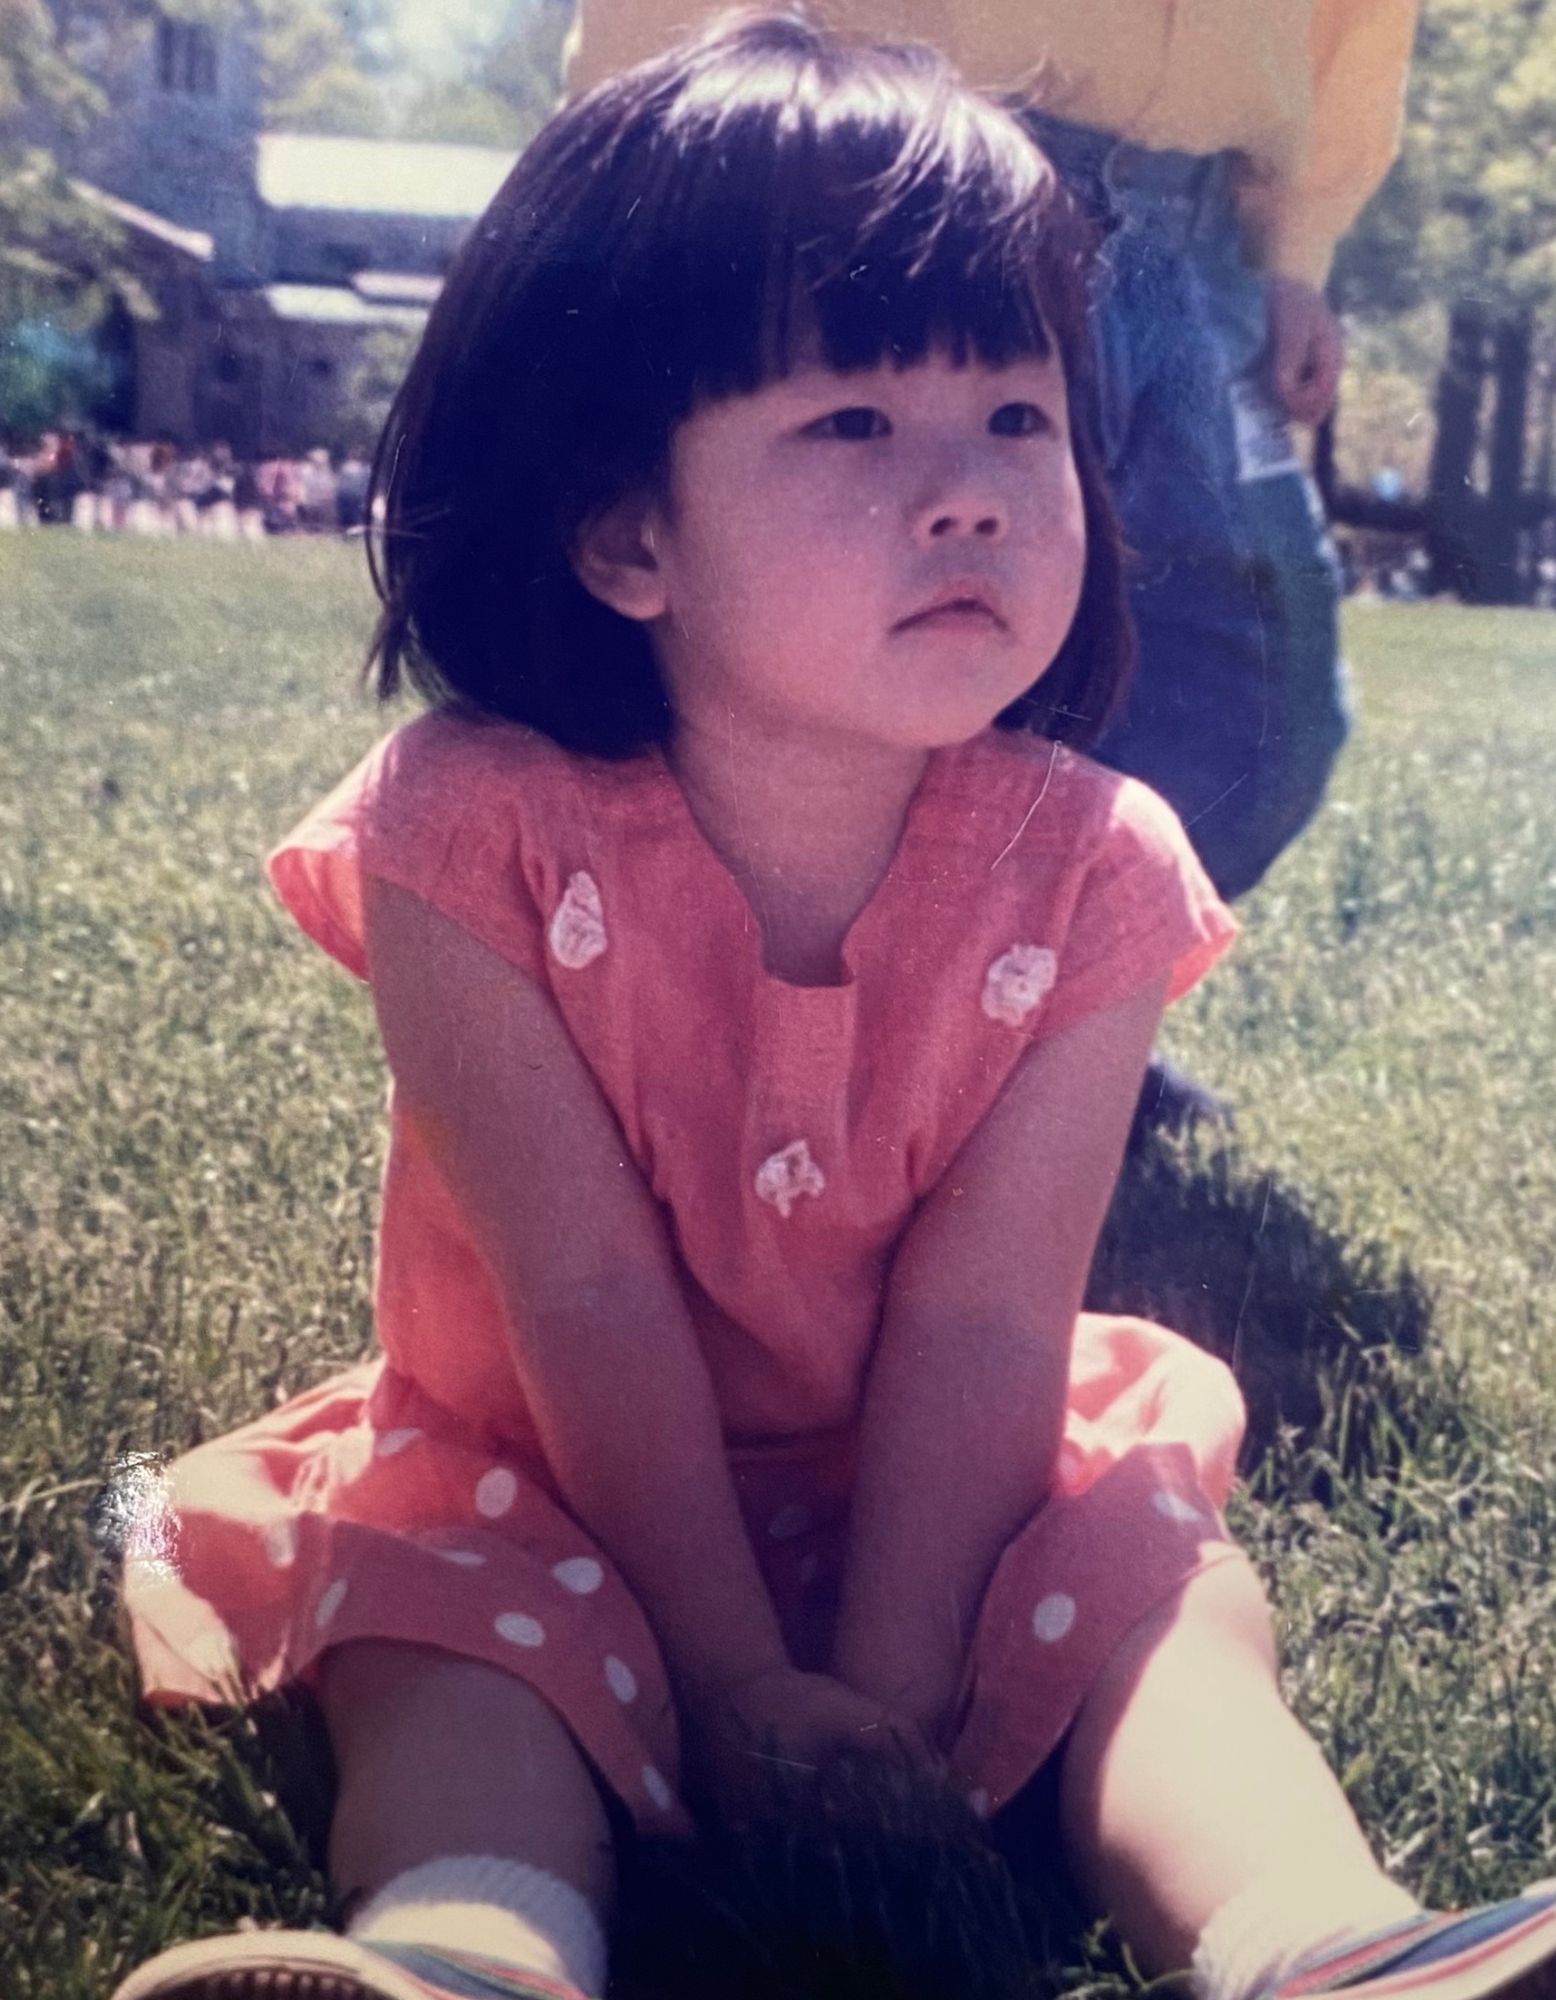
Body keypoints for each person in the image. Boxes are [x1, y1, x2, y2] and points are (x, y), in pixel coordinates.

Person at [109, 20, 1556, 2000]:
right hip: (553, 1457)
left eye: (1017, 419)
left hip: (947, 1471)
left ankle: (1323, 1942)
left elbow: (984, 1315)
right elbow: (586, 1293)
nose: (963, 492)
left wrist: (879, 1689)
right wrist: (722, 1674)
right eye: (855, 426)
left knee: (1161, 1606)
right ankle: (465, 1947)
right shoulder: (465, 837)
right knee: (449, 1637)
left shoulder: (1097, 868)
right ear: (628, 533)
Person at [566, 0, 1421, 1133]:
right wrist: (640, 149)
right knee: (857, 665)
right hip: (896, 167)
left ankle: (1019, 1014)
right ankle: (822, 1044)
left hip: (1200, 231)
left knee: (1258, 711)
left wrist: (1296, 246)